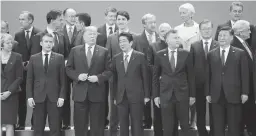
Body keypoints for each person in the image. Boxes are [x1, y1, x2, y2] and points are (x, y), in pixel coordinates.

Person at [66, 26, 112, 136]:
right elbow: (68, 68)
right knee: (80, 124)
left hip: (97, 93)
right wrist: (77, 76)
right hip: (80, 93)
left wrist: (98, 77)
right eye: (89, 34)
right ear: (84, 36)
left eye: (94, 34)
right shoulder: (75, 50)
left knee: (97, 125)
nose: (92, 36)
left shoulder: (104, 51)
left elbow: (109, 70)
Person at [205, 26, 249, 136]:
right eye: (220, 35)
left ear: (231, 38)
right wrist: (208, 93)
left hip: (234, 95)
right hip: (216, 95)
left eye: (225, 35)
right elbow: (208, 75)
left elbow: (244, 74)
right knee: (218, 127)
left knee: (234, 127)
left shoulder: (240, 53)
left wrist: (245, 92)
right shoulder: (211, 54)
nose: (221, 38)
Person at [153, 29, 196, 136]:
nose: (178, 40)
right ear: (167, 40)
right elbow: (155, 77)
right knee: (167, 127)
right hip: (165, 95)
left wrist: (192, 95)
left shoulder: (186, 54)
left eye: (178, 37)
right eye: (175, 38)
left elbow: (191, 76)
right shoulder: (159, 55)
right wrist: (156, 96)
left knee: (185, 126)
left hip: (182, 95)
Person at [26, 33, 66, 136]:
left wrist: (62, 97)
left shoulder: (59, 58)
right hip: (38, 97)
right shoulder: (33, 58)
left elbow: (63, 80)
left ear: (53, 44)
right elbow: (30, 79)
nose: (48, 44)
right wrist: (30, 96)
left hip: (55, 98)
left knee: (55, 128)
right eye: (46, 42)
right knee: (38, 128)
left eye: (50, 42)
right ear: (41, 43)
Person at [111, 32, 149, 136]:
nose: (122, 44)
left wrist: (146, 95)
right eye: (120, 42)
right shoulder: (116, 58)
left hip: (137, 96)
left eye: (124, 41)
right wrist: (114, 96)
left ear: (131, 43)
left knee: (137, 124)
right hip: (121, 96)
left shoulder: (140, 56)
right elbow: (114, 79)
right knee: (123, 125)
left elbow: (145, 77)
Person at [106, 10, 137, 136]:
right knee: (114, 112)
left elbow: (138, 57)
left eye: (123, 19)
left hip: (132, 81)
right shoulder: (111, 38)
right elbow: (108, 58)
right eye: (118, 19)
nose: (120, 21)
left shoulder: (135, 36)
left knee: (133, 113)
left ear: (128, 21)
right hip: (116, 80)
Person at [13, 11, 41, 130]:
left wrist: (32, 63)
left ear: (30, 20)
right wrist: (23, 63)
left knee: (36, 97)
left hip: (36, 71)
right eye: (19, 19)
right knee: (21, 98)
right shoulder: (18, 35)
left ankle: (35, 123)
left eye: (23, 19)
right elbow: (16, 53)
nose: (20, 21)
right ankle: (22, 123)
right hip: (23, 70)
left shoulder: (39, 33)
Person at [190, 19, 219, 136]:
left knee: (215, 112)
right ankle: (202, 133)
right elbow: (191, 68)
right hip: (199, 85)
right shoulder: (194, 46)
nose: (206, 31)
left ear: (212, 29)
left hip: (215, 84)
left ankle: (214, 133)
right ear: (200, 31)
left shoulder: (218, 44)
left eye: (208, 28)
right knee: (200, 112)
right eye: (204, 29)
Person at [133, 13, 160, 129]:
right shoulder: (137, 39)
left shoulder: (160, 38)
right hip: (142, 74)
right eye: (150, 22)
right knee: (145, 99)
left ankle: (159, 122)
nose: (153, 24)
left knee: (158, 98)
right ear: (144, 24)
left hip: (158, 74)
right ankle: (146, 121)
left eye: (154, 22)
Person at [231, 20, 255, 136]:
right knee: (239, 120)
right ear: (240, 32)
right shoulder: (234, 44)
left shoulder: (245, 43)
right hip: (241, 89)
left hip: (249, 86)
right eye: (248, 30)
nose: (250, 32)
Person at [151, 22, 171, 136]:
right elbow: (149, 64)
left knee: (171, 114)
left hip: (173, 86)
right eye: (162, 30)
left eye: (168, 30)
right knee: (158, 113)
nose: (165, 32)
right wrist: (158, 73)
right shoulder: (153, 46)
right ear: (159, 33)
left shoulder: (177, 44)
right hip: (158, 84)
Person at [1, 33, 23, 136]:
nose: (10, 45)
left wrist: (9, 92)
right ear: (1, 44)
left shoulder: (17, 57)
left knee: (10, 124)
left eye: (11, 42)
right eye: (7, 43)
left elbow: (19, 77)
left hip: (11, 95)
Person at [59, 8, 78, 130]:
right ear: (64, 17)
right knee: (64, 95)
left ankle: (79, 122)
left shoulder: (81, 30)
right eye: (70, 16)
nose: (73, 19)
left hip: (78, 69)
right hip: (64, 69)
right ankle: (65, 123)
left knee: (78, 97)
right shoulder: (60, 31)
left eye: (74, 16)